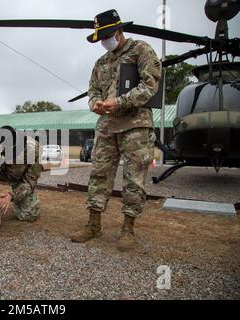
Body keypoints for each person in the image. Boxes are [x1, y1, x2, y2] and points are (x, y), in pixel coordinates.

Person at [70, 9, 161, 250]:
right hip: (107, 127)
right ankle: (93, 224)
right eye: (100, 37)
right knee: (99, 174)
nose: (104, 41)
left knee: (134, 179)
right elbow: (93, 90)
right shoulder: (100, 62)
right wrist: (95, 104)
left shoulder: (141, 50)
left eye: (107, 35)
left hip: (135, 126)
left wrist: (119, 102)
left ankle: (128, 229)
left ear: (119, 31)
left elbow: (150, 85)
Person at [0, 126, 43, 222]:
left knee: (29, 215)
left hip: (19, 179)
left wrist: (12, 195)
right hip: (0, 174)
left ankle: (18, 202)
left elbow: (30, 182)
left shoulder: (33, 149)